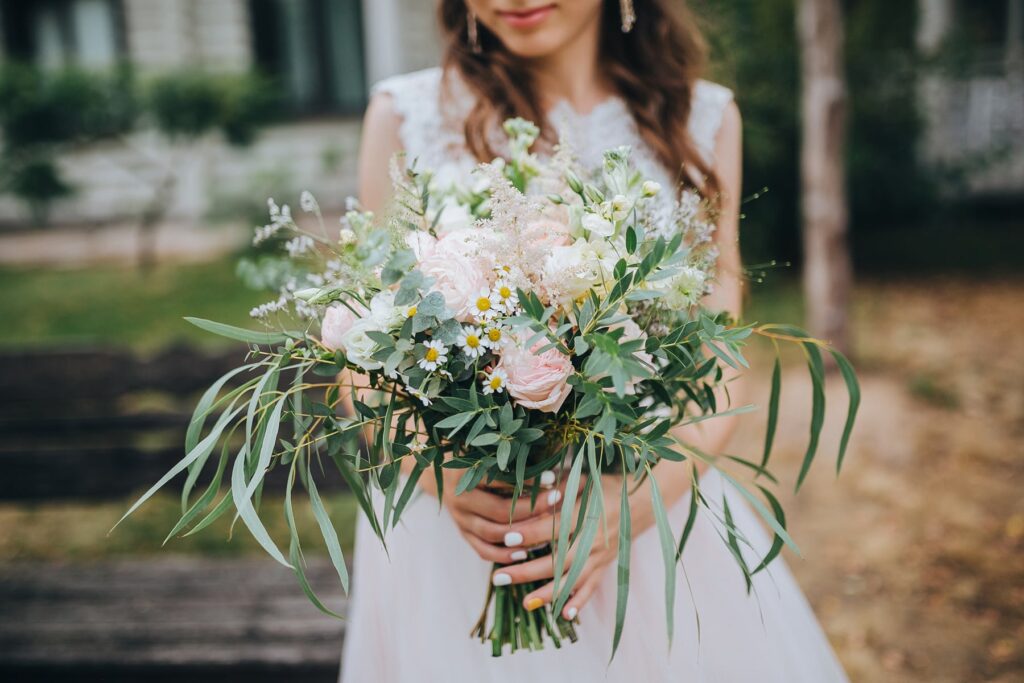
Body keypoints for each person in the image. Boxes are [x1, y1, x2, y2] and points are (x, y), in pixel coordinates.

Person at [342, 1, 849, 680]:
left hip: (649, 508)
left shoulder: (702, 119)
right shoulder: (404, 116)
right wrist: (443, 476)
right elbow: (362, 357)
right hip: (457, 541)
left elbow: (723, 361)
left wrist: (632, 507)